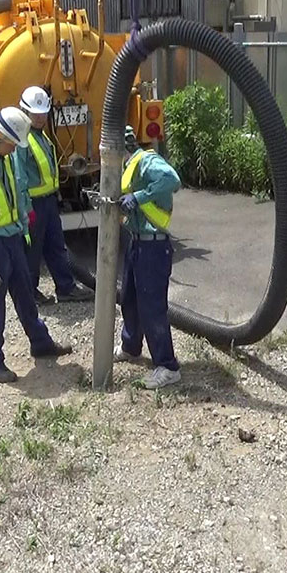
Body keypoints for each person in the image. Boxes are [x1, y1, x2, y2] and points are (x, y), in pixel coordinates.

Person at [0, 107, 72, 383]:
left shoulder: (6, 157)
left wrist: (24, 222)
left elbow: (18, 190)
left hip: (13, 239)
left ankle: (40, 343)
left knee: (26, 296)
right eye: (11, 143)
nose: (13, 149)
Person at [115, 125, 182, 389]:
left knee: (152, 308)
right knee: (130, 299)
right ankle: (131, 346)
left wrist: (139, 196)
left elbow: (171, 179)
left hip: (153, 247)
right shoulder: (130, 165)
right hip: (137, 243)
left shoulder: (147, 161)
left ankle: (167, 366)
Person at [15, 86, 94, 305]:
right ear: (24, 112)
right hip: (33, 205)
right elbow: (19, 177)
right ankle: (29, 293)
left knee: (56, 247)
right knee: (32, 250)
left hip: (48, 202)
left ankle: (65, 288)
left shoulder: (41, 137)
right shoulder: (22, 140)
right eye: (35, 113)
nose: (40, 117)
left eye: (43, 113)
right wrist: (25, 208)